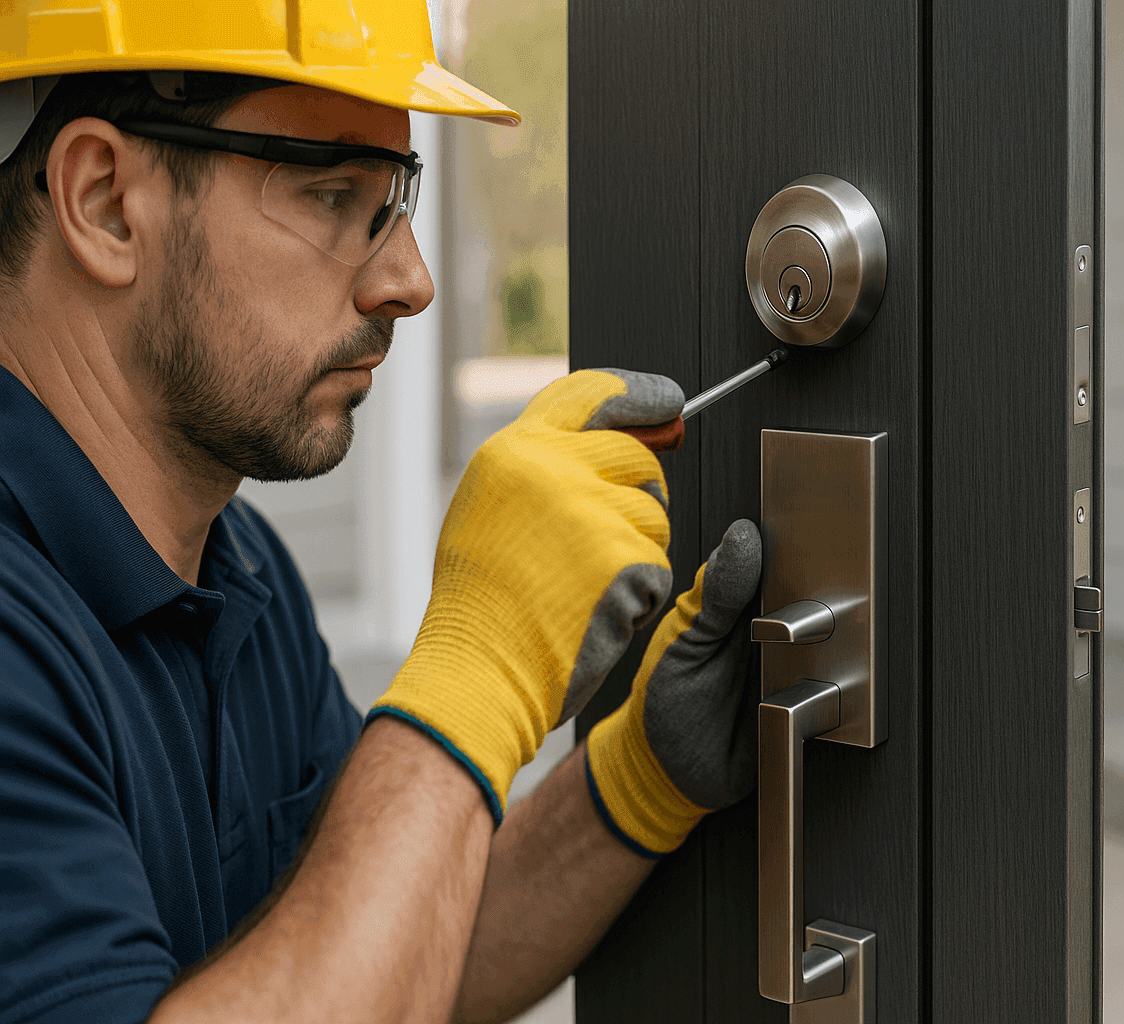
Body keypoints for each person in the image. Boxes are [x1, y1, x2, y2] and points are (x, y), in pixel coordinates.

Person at [0, 4, 760, 1022]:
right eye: (331, 194)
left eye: (396, 201)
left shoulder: (235, 570)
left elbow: (377, 963)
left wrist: (631, 785)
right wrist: (477, 665)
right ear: (104, 203)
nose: (411, 280)